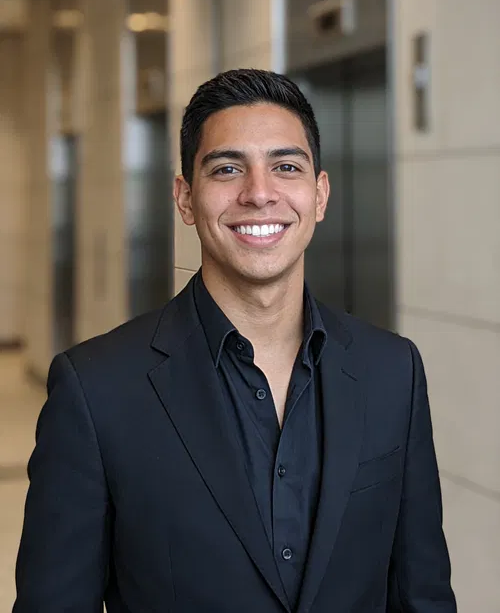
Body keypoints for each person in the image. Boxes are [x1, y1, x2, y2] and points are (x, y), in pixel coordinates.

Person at [14, 68, 456, 613]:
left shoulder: (394, 371)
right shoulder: (97, 391)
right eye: (227, 169)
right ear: (185, 199)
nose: (259, 194)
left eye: (286, 167)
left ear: (319, 195)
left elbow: (423, 595)